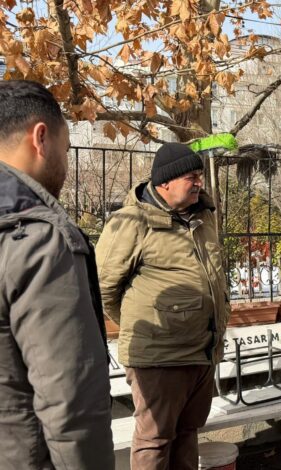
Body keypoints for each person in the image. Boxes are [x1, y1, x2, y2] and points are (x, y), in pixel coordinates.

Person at [0, 80, 114, 468]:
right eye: (66, 150)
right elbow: (71, 402)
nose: (65, 165)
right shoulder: (39, 241)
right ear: (41, 139)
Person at [96, 141, 230, 469]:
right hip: (158, 357)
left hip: (202, 351)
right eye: (191, 177)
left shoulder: (204, 217)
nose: (199, 182)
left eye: (200, 175)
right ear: (165, 182)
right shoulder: (131, 222)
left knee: (188, 432)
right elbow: (103, 287)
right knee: (154, 439)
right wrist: (147, 322)